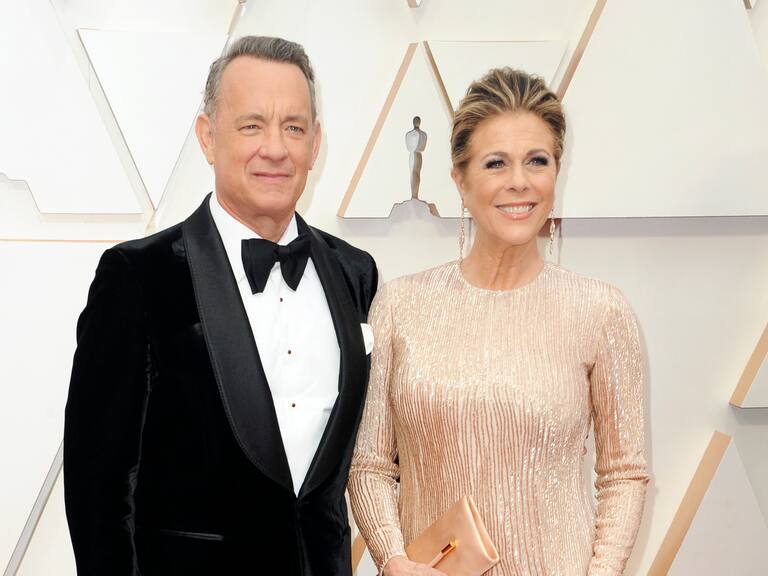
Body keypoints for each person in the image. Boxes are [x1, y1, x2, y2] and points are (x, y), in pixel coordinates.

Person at [64, 36, 378, 576]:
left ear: (316, 143)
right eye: (252, 125)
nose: (276, 149)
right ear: (208, 138)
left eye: (294, 127)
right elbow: (99, 491)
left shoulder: (355, 273)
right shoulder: (139, 276)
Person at [348, 68, 648, 576]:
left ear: (557, 171)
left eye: (538, 160)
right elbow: (371, 464)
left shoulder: (601, 311)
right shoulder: (400, 306)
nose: (519, 182)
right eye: (495, 163)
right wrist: (394, 560)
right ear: (460, 182)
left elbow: (624, 473)